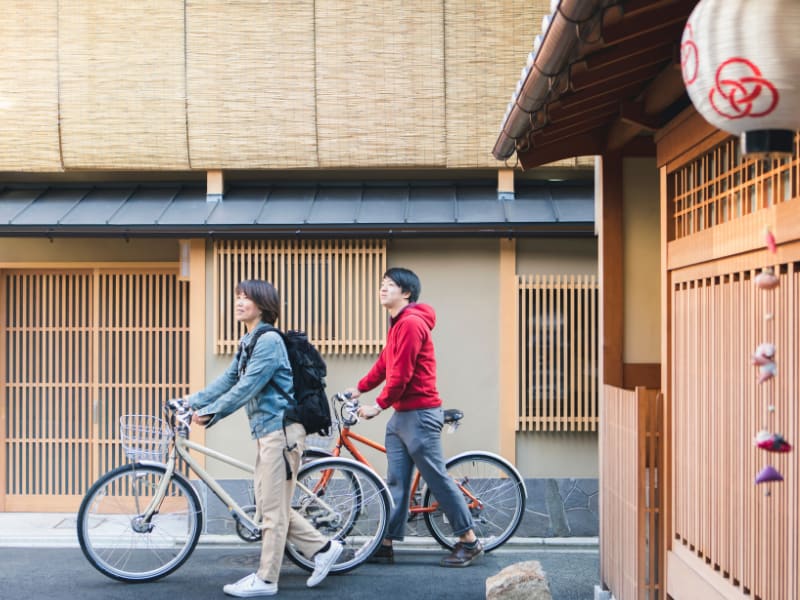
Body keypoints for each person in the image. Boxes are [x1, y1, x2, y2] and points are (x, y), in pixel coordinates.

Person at [187, 279, 342, 597]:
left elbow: (248, 387)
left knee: (271, 510)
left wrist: (210, 414)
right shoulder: (249, 340)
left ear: (263, 304)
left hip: (281, 433)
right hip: (269, 433)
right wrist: (190, 402)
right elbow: (229, 378)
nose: (239, 302)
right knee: (272, 504)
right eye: (238, 296)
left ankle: (267, 579)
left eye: (246, 297)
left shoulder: (269, 341)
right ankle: (323, 548)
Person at [346, 267, 484, 567]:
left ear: (406, 293)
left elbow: (403, 375)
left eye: (390, 285)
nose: (382, 289)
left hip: (420, 415)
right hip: (402, 416)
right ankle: (386, 543)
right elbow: (385, 364)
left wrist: (377, 405)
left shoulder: (410, 324)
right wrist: (359, 389)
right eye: (381, 284)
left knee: (437, 479)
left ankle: (469, 541)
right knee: (396, 482)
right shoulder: (397, 325)